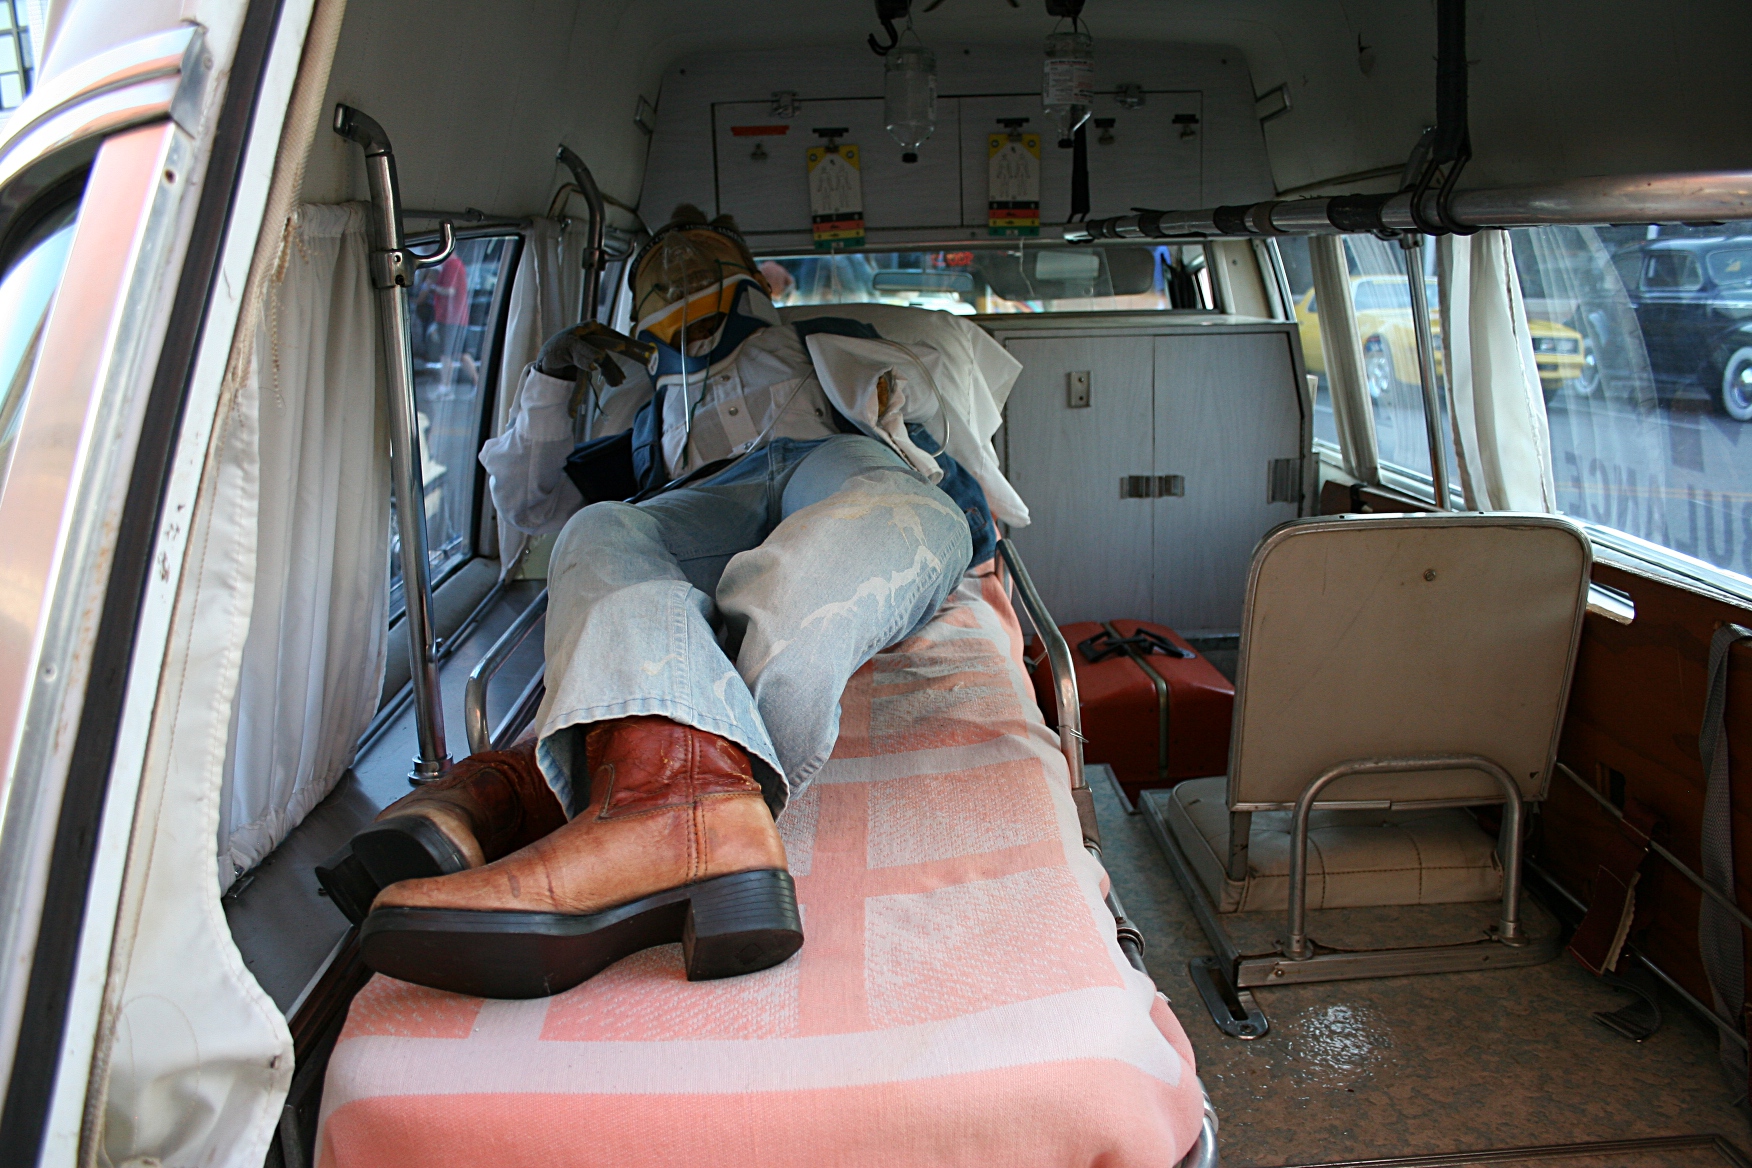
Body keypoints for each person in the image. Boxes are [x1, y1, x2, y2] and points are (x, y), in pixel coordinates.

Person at [332, 207, 995, 999]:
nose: (678, 254)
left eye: (700, 245)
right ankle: (685, 811)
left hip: (838, 463)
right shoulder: (646, 417)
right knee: (599, 529)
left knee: (868, 518)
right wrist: (551, 375)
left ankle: (554, 786)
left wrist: (899, 418)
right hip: (699, 501)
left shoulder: (832, 344)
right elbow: (532, 501)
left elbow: (960, 486)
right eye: (661, 255)